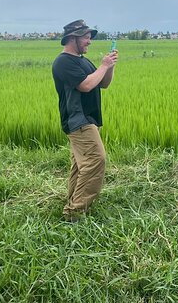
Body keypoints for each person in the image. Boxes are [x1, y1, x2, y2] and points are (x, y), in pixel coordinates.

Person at [52, 19, 118, 222]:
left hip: (88, 119)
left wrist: (110, 66)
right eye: (86, 37)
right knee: (96, 160)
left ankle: (73, 204)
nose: (89, 41)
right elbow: (86, 85)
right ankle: (75, 213)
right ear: (73, 38)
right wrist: (103, 65)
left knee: (80, 165)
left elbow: (103, 84)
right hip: (78, 120)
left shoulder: (83, 61)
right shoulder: (63, 61)